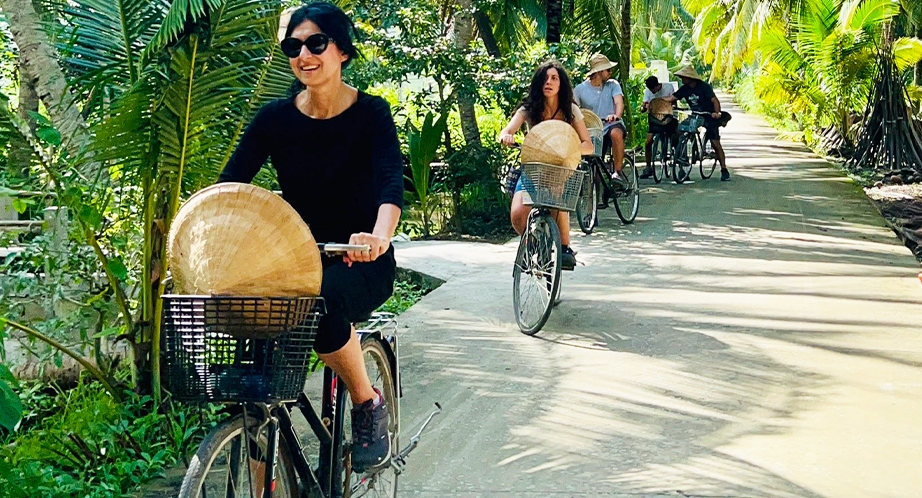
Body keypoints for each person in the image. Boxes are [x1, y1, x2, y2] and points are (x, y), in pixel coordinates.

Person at [218, 2, 401, 473]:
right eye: (293, 46)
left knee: (319, 308)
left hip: (359, 259)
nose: (304, 54)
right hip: (295, 260)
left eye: (316, 43)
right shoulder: (274, 120)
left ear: (341, 50)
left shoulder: (372, 114)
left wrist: (378, 237)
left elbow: (389, 185)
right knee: (257, 368)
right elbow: (230, 186)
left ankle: (366, 402)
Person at [499, 60, 594, 270]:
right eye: (545, 78)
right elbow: (507, 131)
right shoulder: (528, 108)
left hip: (561, 169)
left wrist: (571, 149)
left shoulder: (571, 110)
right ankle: (535, 244)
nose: (548, 82)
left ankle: (565, 247)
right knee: (517, 215)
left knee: (556, 197)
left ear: (561, 84)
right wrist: (506, 137)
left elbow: (588, 145)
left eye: (554, 78)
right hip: (533, 168)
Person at [663, 65, 730, 181]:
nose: (682, 79)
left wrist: (716, 112)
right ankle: (682, 160)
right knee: (678, 131)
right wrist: (655, 102)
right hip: (695, 116)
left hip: (708, 116)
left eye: (683, 77)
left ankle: (724, 169)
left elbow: (715, 100)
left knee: (715, 143)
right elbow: (672, 98)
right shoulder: (684, 89)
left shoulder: (704, 87)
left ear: (690, 78)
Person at [573, 54, 627, 186]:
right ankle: (597, 197)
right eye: (607, 70)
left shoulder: (613, 85)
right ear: (598, 72)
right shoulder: (580, 89)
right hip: (593, 130)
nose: (610, 72)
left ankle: (618, 172)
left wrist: (616, 115)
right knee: (594, 161)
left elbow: (619, 102)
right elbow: (573, 109)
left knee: (616, 133)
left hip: (611, 124)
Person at [640, 75, 677, 178]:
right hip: (654, 120)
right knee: (648, 142)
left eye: (653, 89)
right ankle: (648, 167)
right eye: (650, 89)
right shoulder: (648, 92)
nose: (652, 92)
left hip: (668, 118)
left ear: (658, 85)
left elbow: (674, 102)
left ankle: (679, 161)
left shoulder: (668, 87)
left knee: (675, 136)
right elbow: (644, 104)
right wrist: (643, 107)